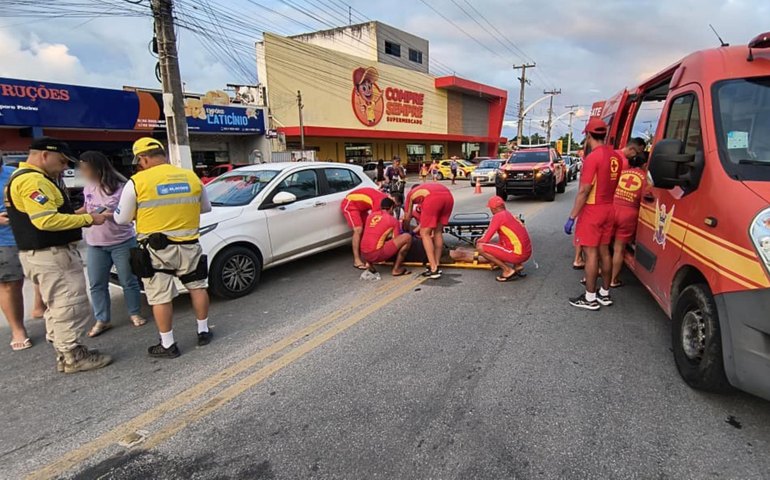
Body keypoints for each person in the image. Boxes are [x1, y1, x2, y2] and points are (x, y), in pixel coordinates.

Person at [5, 138, 112, 372]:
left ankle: (65, 352)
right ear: (45, 155)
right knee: (70, 303)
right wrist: (88, 219)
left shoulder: (29, 178)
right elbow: (46, 220)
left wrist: (77, 213)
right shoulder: (33, 181)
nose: (65, 167)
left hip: (42, 254)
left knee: (57, 304)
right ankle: (72, 355)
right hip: (51, 254)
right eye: (62, 162)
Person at [114, 138, 212, 358]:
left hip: (155, 251)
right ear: (163, 155)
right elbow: (205, 207)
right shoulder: (191, 176)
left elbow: (121, 219)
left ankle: (168, 344)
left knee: (160, 297)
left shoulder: (137, 182)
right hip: (189, 245)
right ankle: (203, 331)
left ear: (143, 158)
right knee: (197, 287)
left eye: (139, 162)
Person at [77, 151, 146, 337]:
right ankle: (102, 319)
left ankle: (134, 313)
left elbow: (125, 214)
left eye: (85, 168)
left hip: (121, 241)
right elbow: (88, 207)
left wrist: (102, 216)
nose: (82, 172)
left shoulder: (122, 187)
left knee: (128, 280)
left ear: (96, 168)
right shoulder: (89, 187)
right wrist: (76, 215)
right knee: (97, 283)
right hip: (95, 243)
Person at [564, 118, 621, 310]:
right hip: (610, 208)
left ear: (588, 136)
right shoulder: (616, 157)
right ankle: (604, 293)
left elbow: (584, 190)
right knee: (605, 251)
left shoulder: (593, 158)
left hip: (593, 210)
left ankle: (589, 297)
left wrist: (572, 217)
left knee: (590, 254)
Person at [0, 161, 31, 350]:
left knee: (41, 277)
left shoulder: (15, 174)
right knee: (10, 284)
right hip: (4, 241)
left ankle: (39, 308)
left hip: (29, 234)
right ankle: (17, 329)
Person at [610, 152, 647, 288]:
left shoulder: (622, 173)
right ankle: (613, 280)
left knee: (603, 246)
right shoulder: (646, 179)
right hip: (629, 214)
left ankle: (600, 272)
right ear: (645, 164)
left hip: (612, 209)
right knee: (619, 249)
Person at [341, 187, 401, 269]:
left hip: (362, 208)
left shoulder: (385, 201)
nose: (394, 209)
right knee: (358, 230)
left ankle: (367, 254)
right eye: (394, 206)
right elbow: (376, 225)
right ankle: (357, 260)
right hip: (350, 204)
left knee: (366, 229)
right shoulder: (380, 203)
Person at [403, 182, 454, 279]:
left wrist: (406, 227)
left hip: (433, 198)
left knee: (424, 233)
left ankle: (433, 268)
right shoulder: (425, 188)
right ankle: (437, 264)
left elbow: (407, 216)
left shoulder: (410, 195)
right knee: (438, 232)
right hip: (448, 196)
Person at [477, 196, 532, 282]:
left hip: (517, 254)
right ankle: (518, 265)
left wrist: (477, 241)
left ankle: (507, 270)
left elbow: (486, 239)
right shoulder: (509, 214)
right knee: (507, 240)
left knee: (480, 246)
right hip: (526, 253)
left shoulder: (498, 216)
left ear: (493, 208)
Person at [360, 198, 412, 276]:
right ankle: (396, 269)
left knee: (372, 238)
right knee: (407, 237)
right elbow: (396, 239)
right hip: (376, 254)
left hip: (363, 254)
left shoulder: (371, 216)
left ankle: (369, 264)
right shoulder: (392, 220)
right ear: (391, 208)